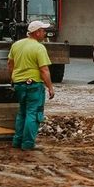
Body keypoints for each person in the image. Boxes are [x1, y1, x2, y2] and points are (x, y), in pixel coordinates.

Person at [7, 19, 55, 151]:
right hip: (34, 85)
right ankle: (28, 144)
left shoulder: (16, 45)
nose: (45, 33)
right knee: (33, 114)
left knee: (22, 112)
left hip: (19, 84)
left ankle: (17, 141)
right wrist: (50, 87)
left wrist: (13, 78)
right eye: (43, 30)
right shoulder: (39, 48)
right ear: (37, 32)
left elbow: (10, 64)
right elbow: (44, 70)